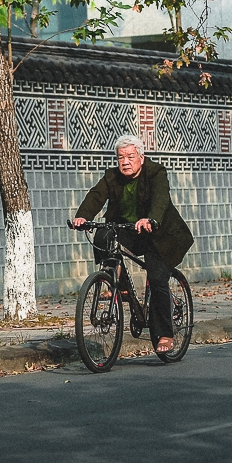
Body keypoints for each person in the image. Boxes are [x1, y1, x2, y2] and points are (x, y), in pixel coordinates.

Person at [71, 134, 194, 355]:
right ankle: (116, 279)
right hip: (130, 230)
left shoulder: (156, 172)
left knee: (157, 279)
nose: (125, 162)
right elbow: (96, 196)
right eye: (121, 157)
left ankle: (165, 333)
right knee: (102, 235)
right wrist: (82, 217)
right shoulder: (112, 176)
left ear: (141, 156)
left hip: (159, 234)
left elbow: (160, 200)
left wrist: (151, 219)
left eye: (130, 156)